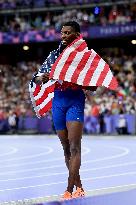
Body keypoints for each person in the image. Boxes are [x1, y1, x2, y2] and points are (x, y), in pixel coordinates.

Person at [33, 21, 98, 200]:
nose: (63, 36)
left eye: (67, 33)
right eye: (62, 33)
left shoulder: (84, 57)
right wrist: (44, 77)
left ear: (77, 35)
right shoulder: (54, 56)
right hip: (58, 102)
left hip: (74, 101)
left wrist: (73, 78)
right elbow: (37, 79)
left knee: (75, 147)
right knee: (66, 149)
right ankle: (79, 187)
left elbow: (94, 86)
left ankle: (69, 190)